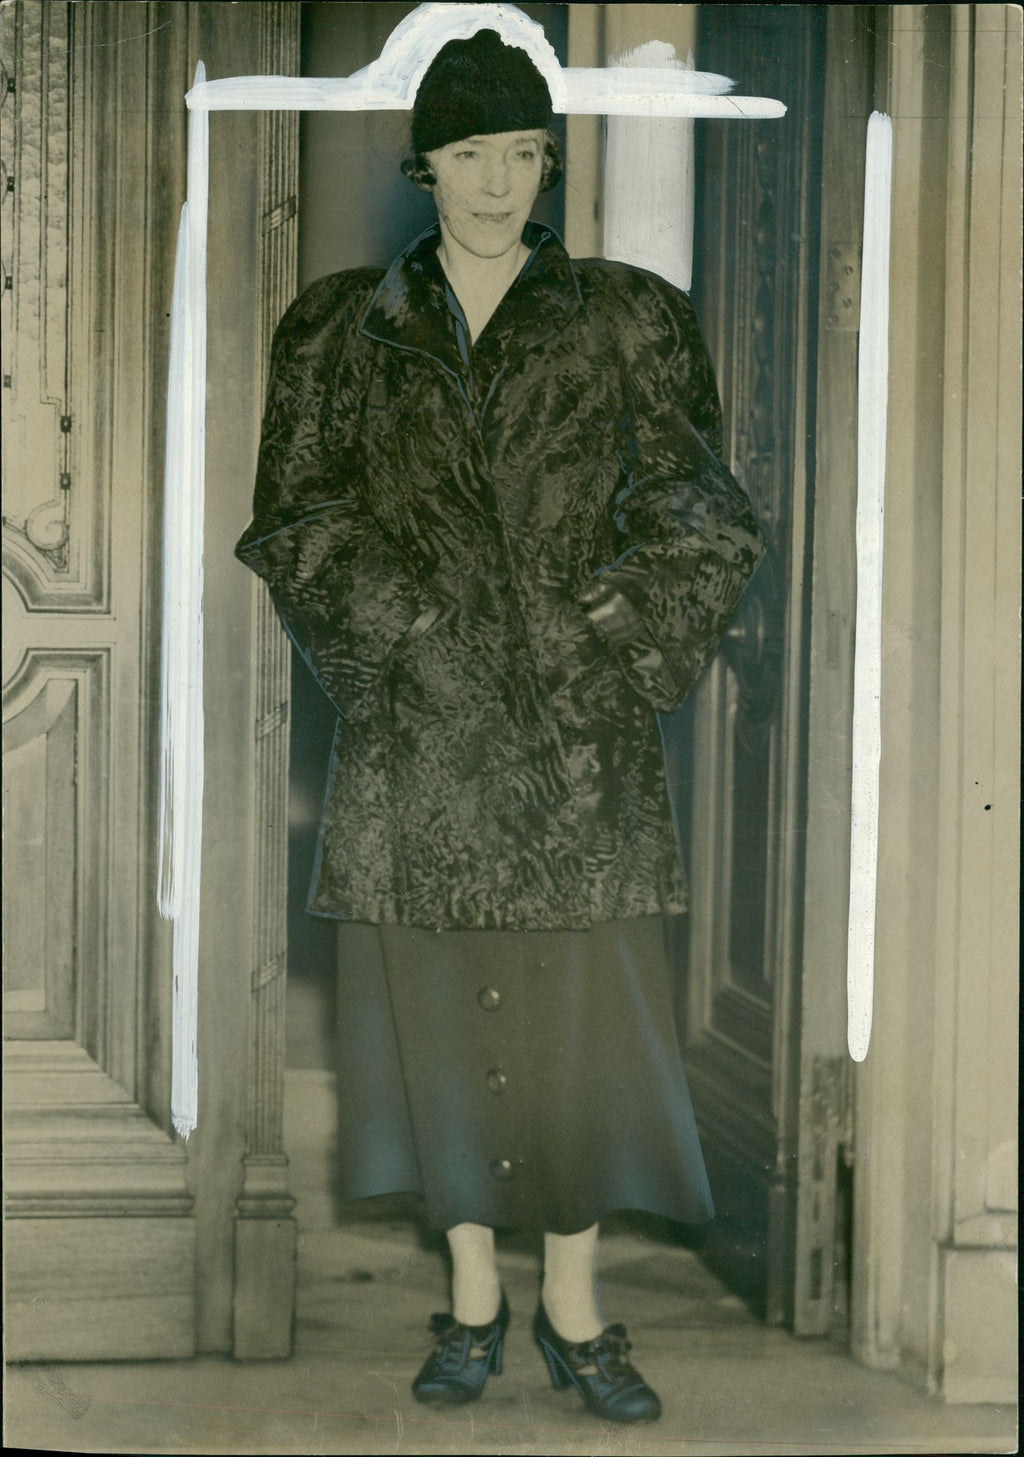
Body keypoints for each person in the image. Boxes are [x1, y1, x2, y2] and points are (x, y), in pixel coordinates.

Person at [236, 28, 765, 1425]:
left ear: (548, 165)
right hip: (420, 747)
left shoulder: (630, 320)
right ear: (425, 167)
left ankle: (574, 1309)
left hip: (581, 750)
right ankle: (473, 1300)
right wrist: (411, 636)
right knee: (438, 1034)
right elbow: (295, 519)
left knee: (581, 1040)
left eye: (521, 154)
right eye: (468, 155)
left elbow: (705, 516)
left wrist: (611, 628)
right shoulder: (342, 329)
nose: (494, 183)